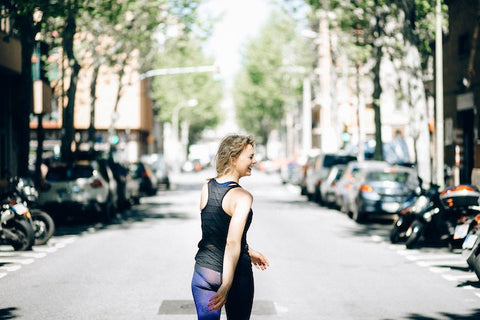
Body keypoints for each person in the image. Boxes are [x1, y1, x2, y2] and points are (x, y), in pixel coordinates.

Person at [191, 134, 269, 320]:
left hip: (204, 271)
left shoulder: (207, 187)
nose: (254, 161)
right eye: (250, 157)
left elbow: (216, 232)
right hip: (235, 274)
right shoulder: (243, 197)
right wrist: (226, 283)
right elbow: (232, 242)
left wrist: (249, 251)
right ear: (234, 159)